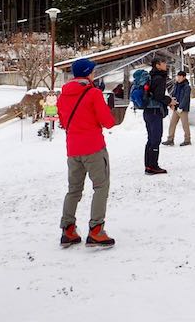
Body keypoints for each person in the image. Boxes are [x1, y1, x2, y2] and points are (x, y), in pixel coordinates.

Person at [57, 58, 116, 248]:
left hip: (73, 149)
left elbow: (64, 123)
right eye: (92, 71)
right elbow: (108, 121)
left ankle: (68, 230)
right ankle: (96, 230)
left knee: (74, 190)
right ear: (88, 73)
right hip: (93, 148)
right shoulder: (93, 93)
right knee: (101, 186)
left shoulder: (62, 96)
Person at [144, 58, 175, 175]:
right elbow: (158, 96)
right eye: (163, 63)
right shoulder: (159, 78)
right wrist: (169, 100)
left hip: (147, 111)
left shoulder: (151, 76)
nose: (165, 64)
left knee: (150, 139)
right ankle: (153, 166)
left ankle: (148, 165)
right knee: (156, 139)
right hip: (155, 111)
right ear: (157, 65)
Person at [163, 71, 191, 147]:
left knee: (185, 125)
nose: (178, 78)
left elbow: (186, 98)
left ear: (184, 77)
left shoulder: (187, 87)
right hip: (176, 107)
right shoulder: (176, 85)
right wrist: (171, 103)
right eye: (177, 76)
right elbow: (173, 94)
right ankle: (170, 139)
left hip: (183, 109)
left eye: (180, 76)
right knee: (172, 124)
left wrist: (181, 107)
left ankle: (187, 140)